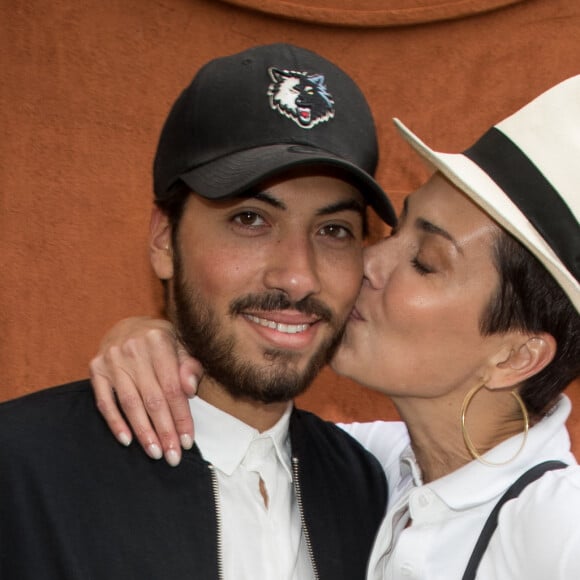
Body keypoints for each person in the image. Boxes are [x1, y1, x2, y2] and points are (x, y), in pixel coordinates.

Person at [91, 75, 580, 579]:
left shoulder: (560, 528)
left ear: (515, 357)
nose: (368, 261)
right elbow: (243, 425)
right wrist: (154, 336)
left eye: (427, 262)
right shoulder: (373, 467)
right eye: (395, 230)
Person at [0, 43, 400, 580]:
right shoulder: (21, 473)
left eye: (333, 231)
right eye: (251, 220)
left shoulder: (369, 488)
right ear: (165, 240)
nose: (298, 277)